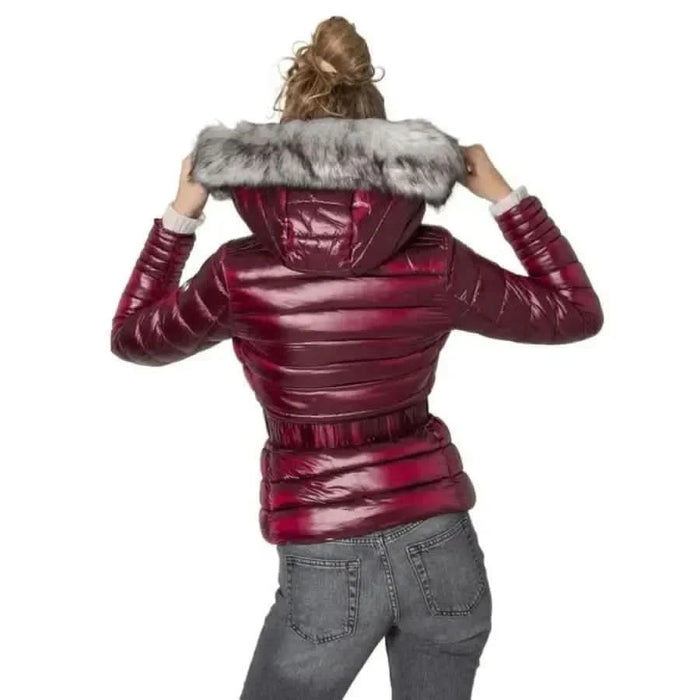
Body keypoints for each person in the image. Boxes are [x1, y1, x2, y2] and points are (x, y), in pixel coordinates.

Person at [110, 15, 604, 700]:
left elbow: (134, 337)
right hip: (442, 548)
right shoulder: (435, 262)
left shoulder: (237, 274)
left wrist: (180, 214)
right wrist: (502, 195)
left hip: (326, 556)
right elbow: (574, 312)